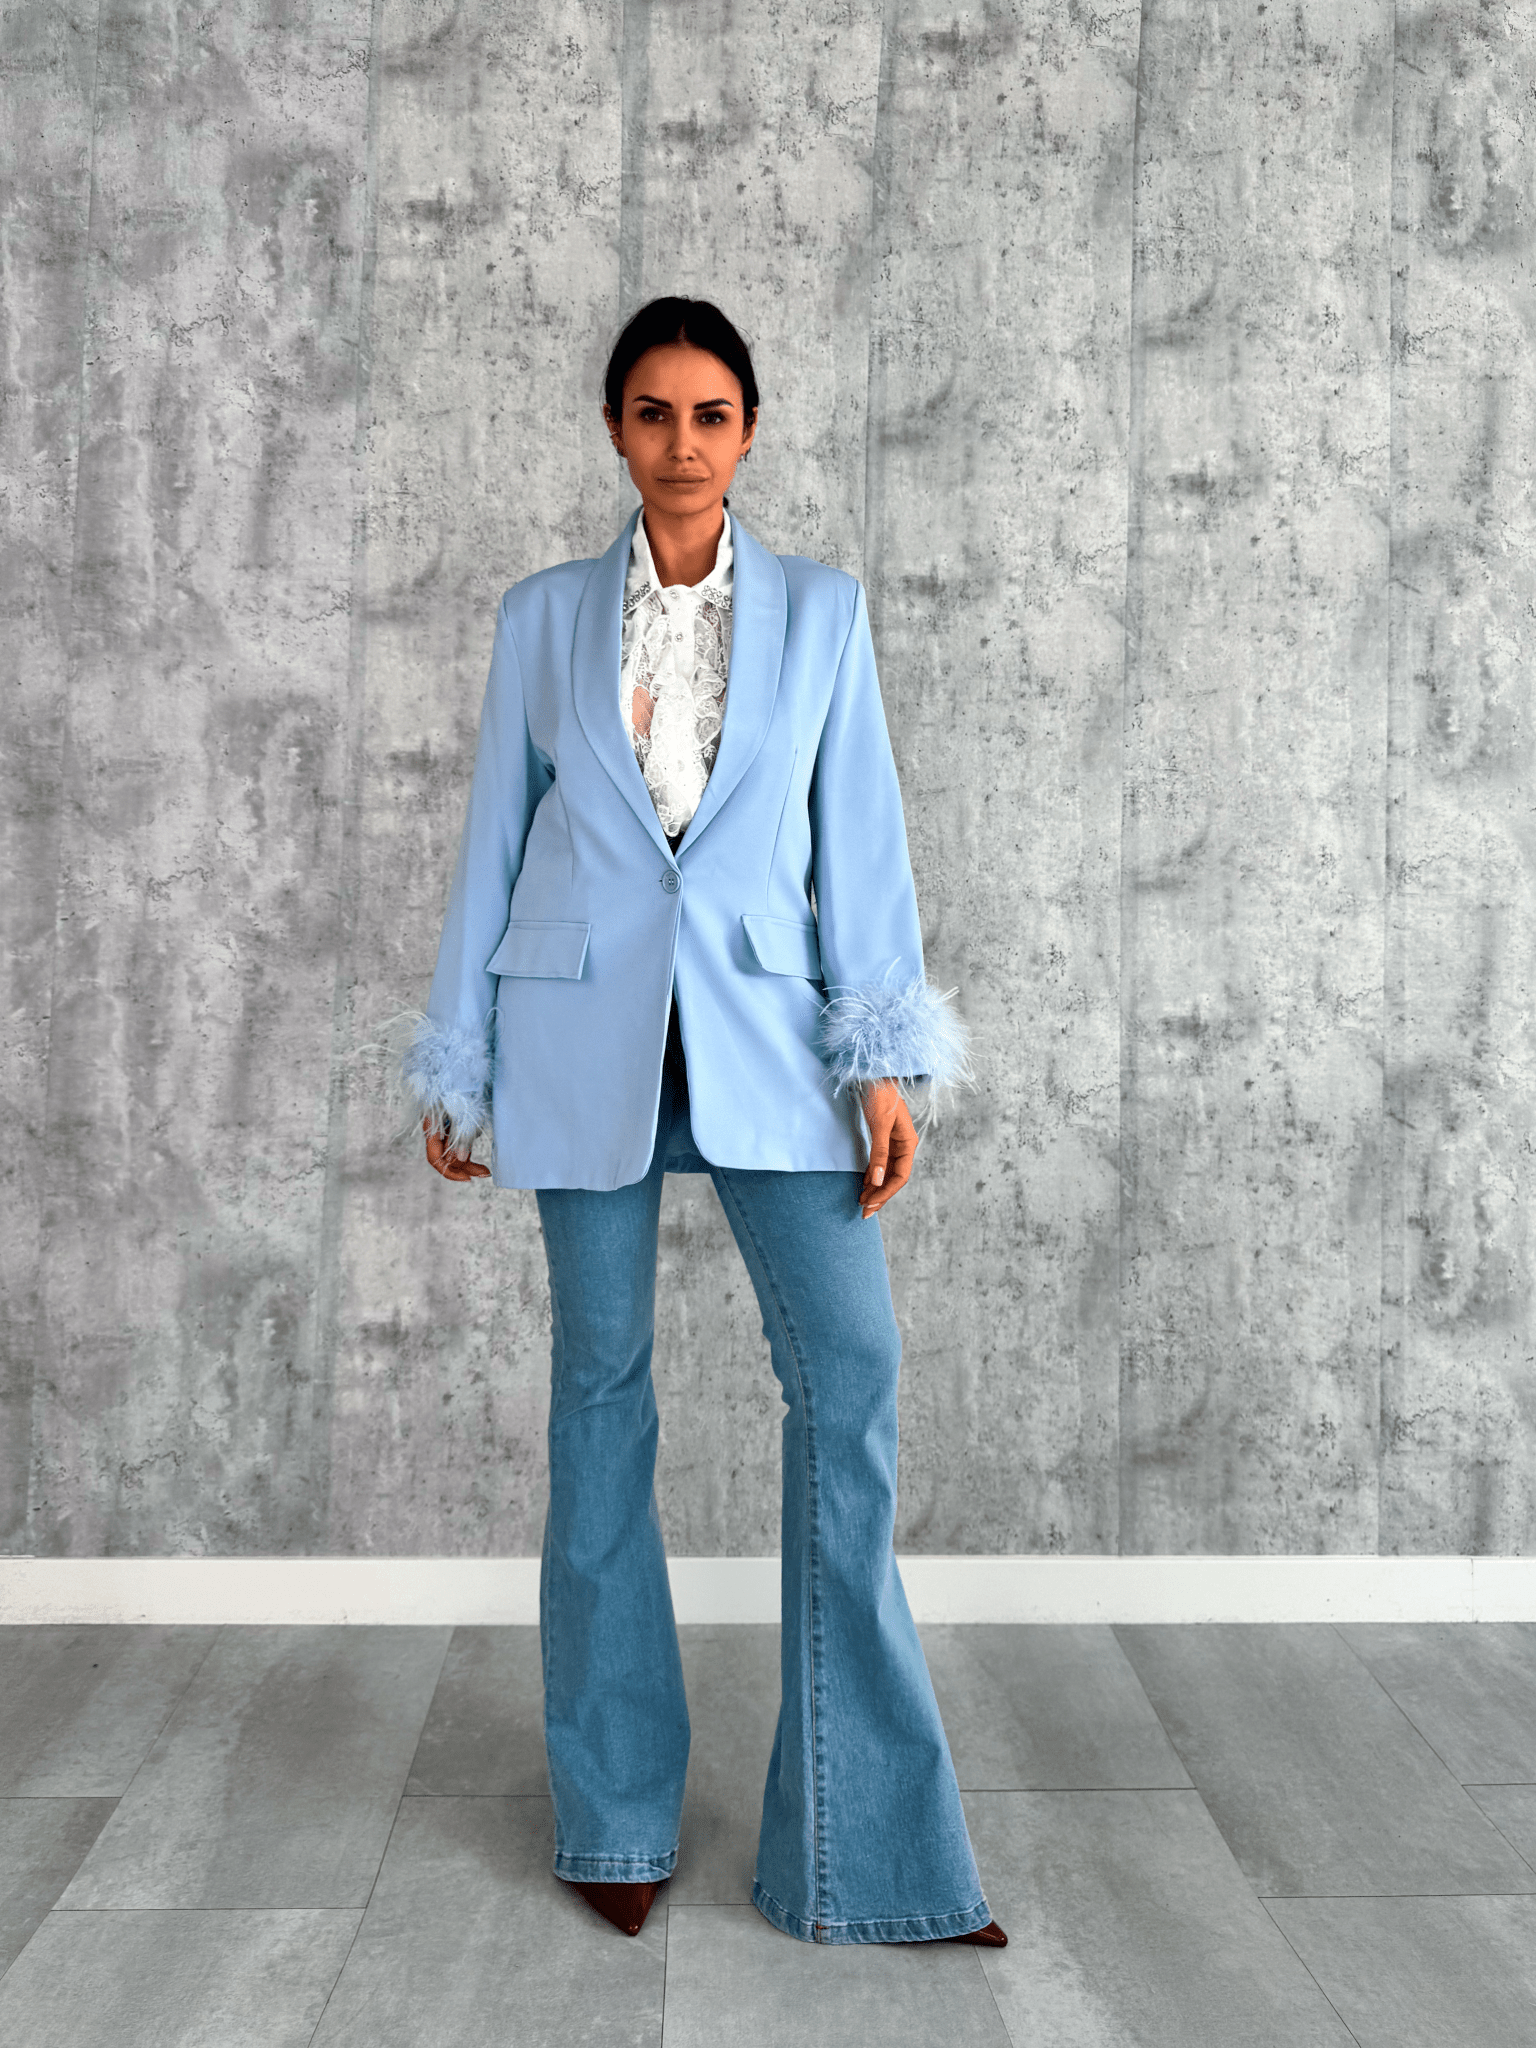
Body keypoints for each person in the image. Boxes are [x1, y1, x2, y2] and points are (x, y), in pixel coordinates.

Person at [402, 296, 1004, 1949]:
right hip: (575, 1036)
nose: (683, 442)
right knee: (601, 1403)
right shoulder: (541, 617)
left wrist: (883, 1055)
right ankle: (612, 1819)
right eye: (654, 413)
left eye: (712, 414)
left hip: (770, 1042)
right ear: (616, 428)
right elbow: (495, 837)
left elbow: (859, 836)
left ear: (749, 431)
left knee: (850, 1377)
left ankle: (865, 1851)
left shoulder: (823, 613)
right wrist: (459, 1061)